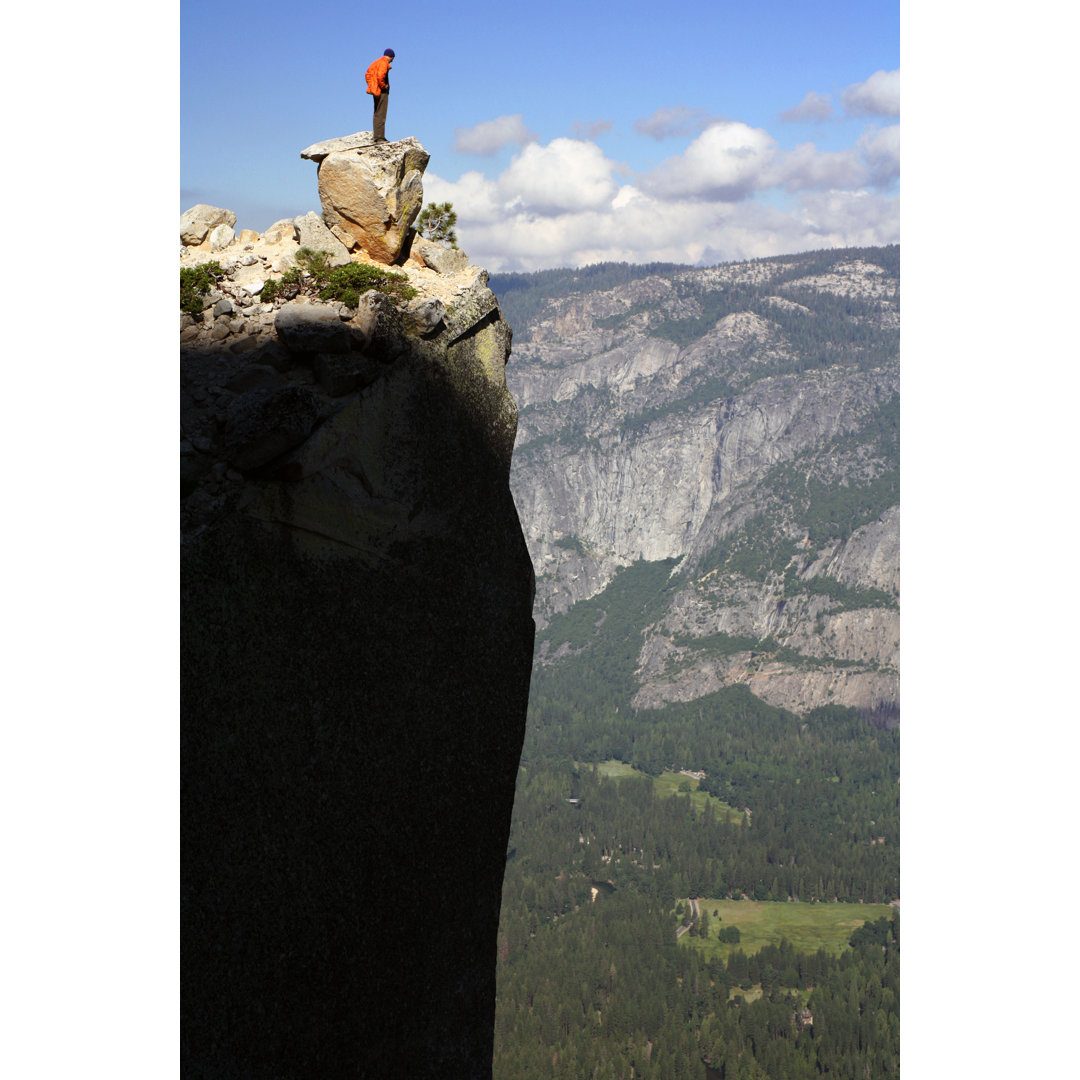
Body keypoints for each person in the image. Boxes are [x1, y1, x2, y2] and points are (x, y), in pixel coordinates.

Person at [365, 49, 395, 143]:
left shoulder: (375, 63)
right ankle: (379, 137)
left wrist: (372, 86)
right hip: (381, 91)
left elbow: (367, 74)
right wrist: (383, 86)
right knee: (381, 114)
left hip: (376, 91)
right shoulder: (383, 63)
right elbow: (380, 75)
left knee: (377, 112)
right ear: (391, 57)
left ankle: (377, 136)